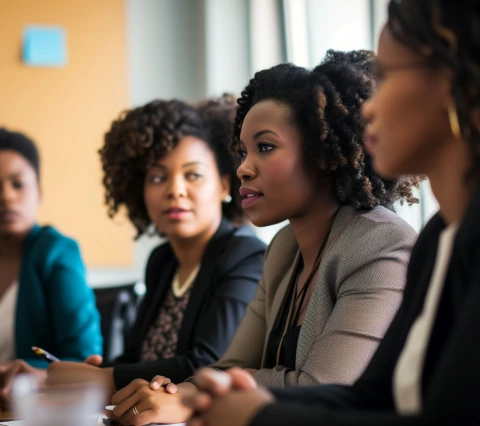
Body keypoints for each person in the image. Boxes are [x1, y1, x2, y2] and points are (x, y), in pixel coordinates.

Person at [185, 1, 480, 425]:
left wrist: (255, 413)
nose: (370, 109)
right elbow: (371, 397)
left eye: (390, 76)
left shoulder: (387, 241)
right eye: (242, 152)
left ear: (454, 76)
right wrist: (201, 394)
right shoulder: (438, 237)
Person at [106, 50, 421, 425]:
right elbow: (231, 365)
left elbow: (324, 387)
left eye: (265, 147)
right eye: (242, 152)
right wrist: (176, 392)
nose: (243, 168)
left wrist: (195, 399)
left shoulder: (380, 244)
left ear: (323, 153)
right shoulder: (284, 248)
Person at [0, 96, 266, 408]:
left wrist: (105, 379)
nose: (175, 189)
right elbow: (137, 357)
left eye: (193, 175)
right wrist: (78, 374)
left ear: (225, 185)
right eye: (158, 177)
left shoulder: (244, 256)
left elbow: (208, 364)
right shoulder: (162, 261)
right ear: (139, 191)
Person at [0, 128, 101, 390]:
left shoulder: (58, 251)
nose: (6, 197)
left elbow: (84, 360)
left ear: (39, 191)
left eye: (18, 184)